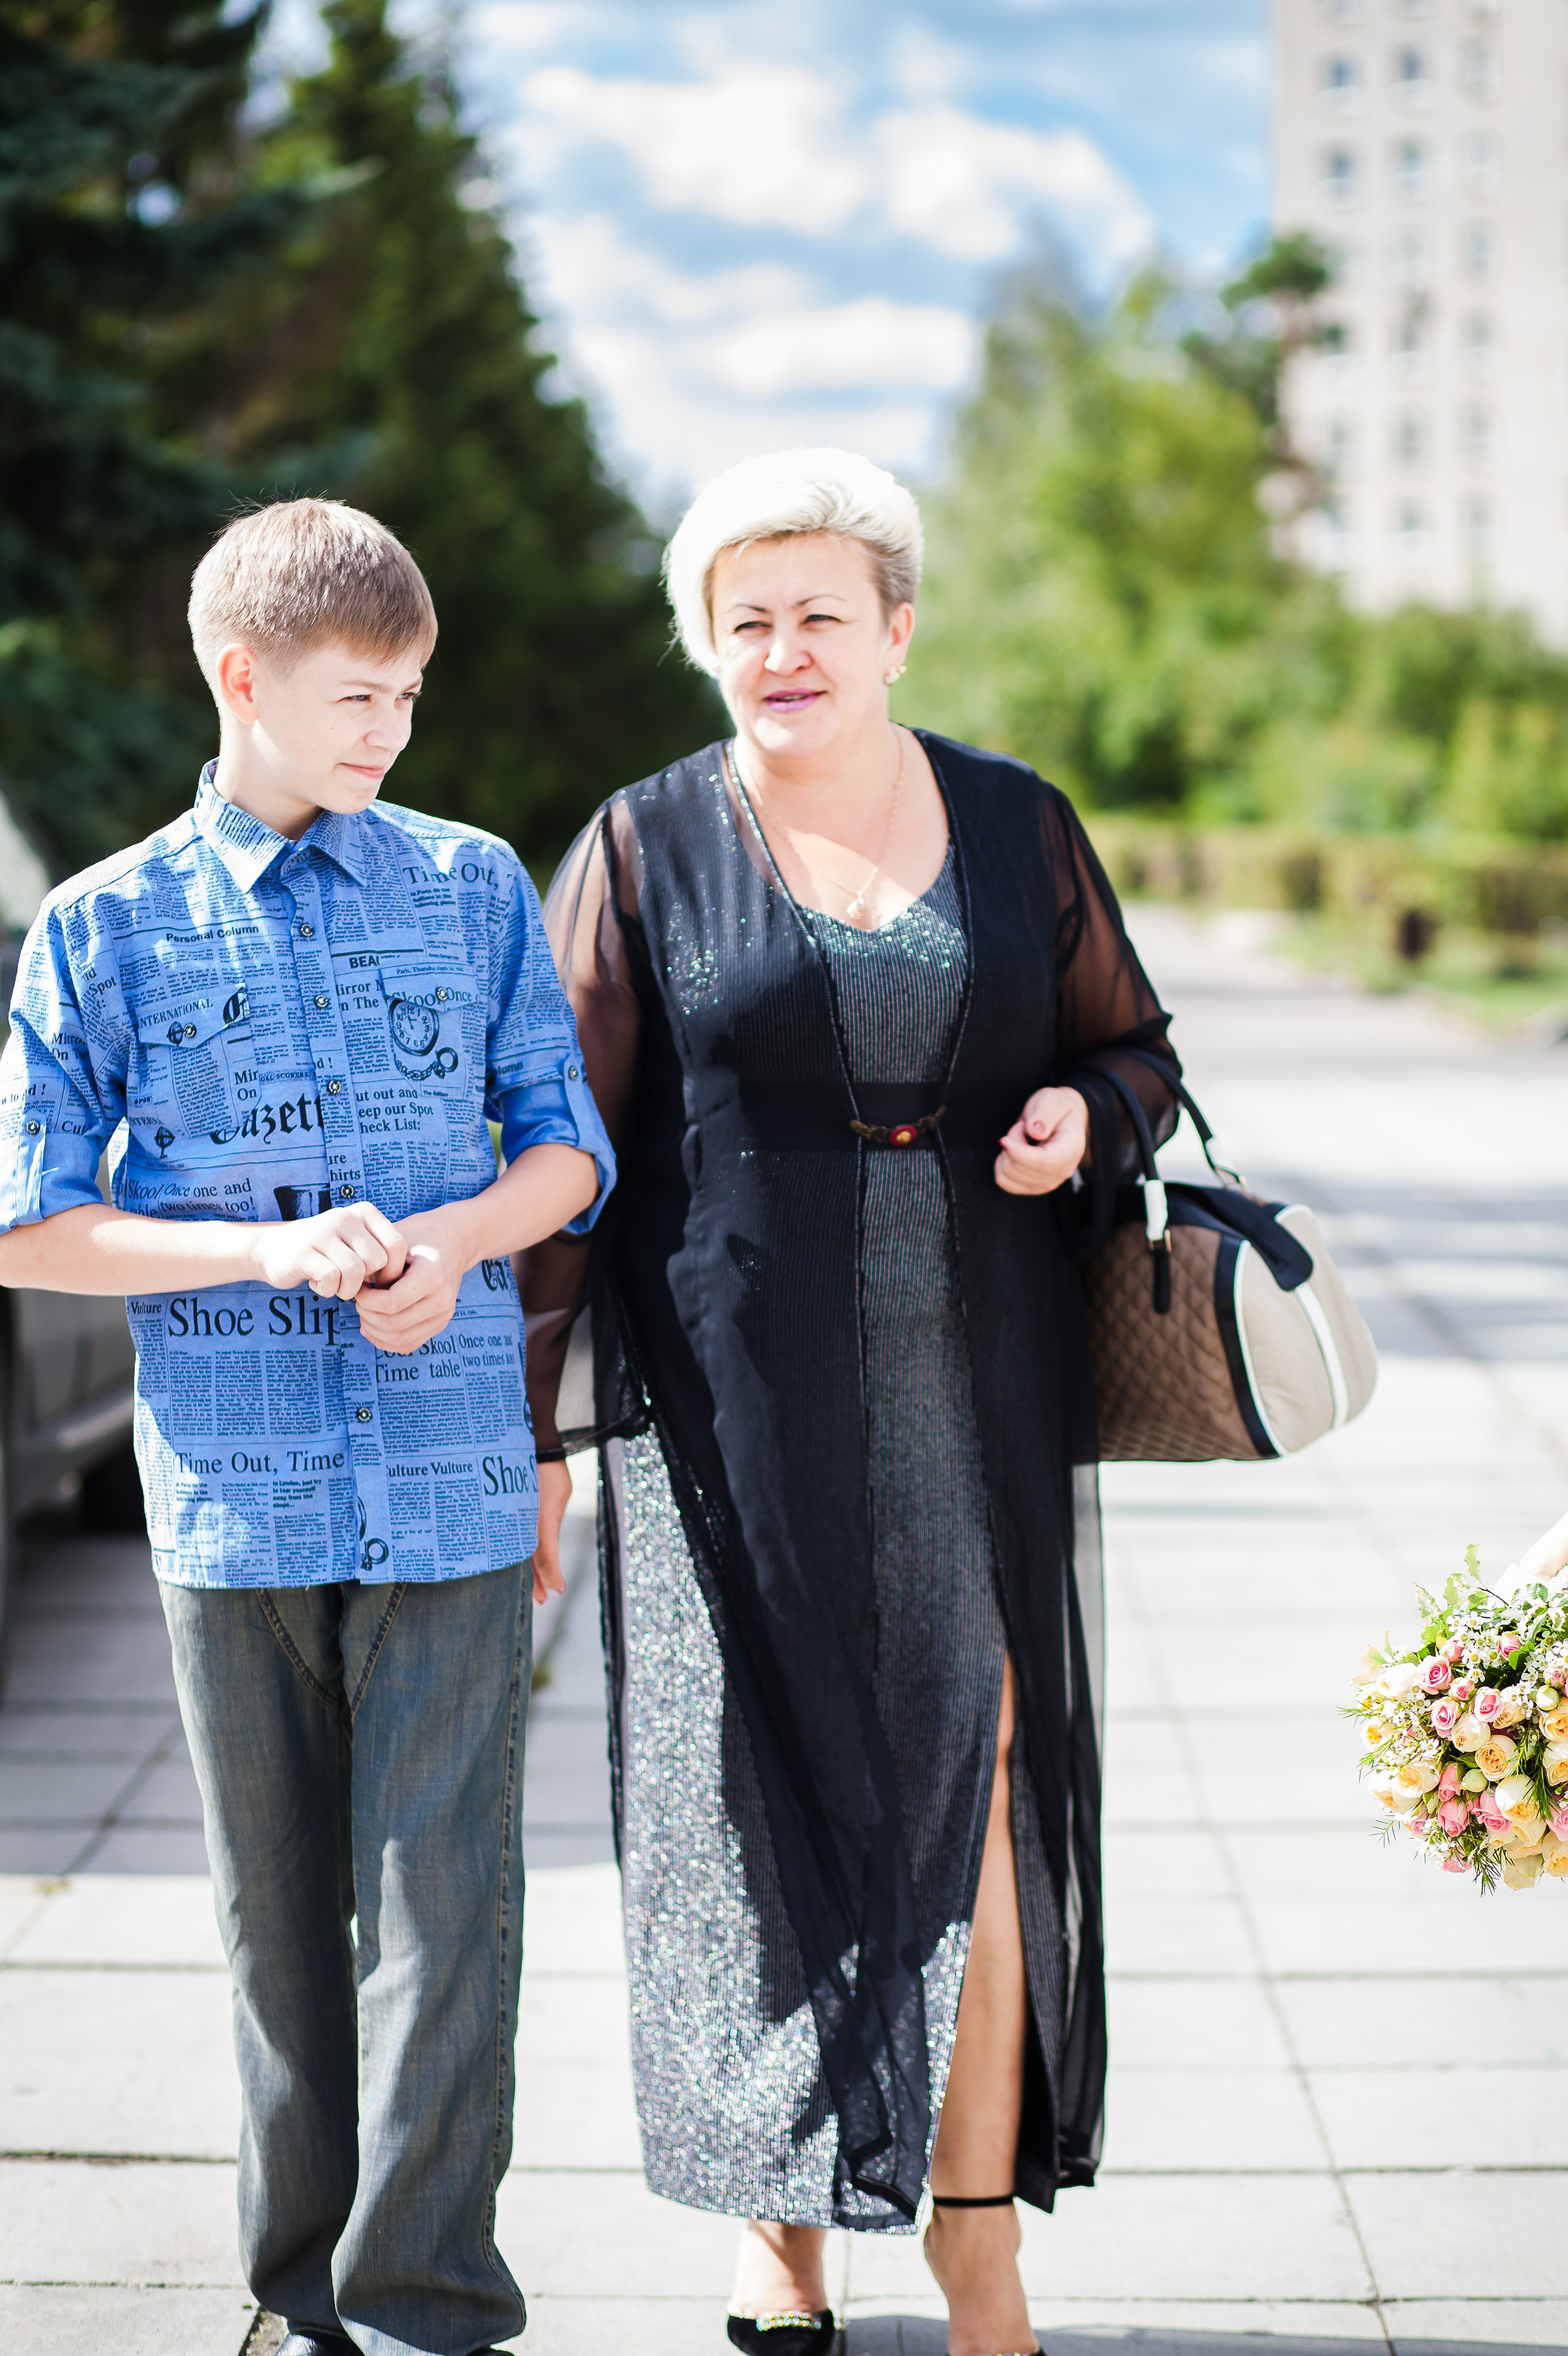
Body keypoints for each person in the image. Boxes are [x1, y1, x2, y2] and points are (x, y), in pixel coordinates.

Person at [520, 448, 1180, 2356]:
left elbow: (1134, 1041)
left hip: (972, 1368)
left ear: (898, 624)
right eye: (747, 621)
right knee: (754, 1807)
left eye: (822, 611)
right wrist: (538, 1432)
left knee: (973, 1799)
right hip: (725, 1395)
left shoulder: (1014, 821)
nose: (786, 647)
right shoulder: (645, 844)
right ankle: (782, 2233)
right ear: (706, 647)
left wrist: (1087, 1114)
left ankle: (979, 2242)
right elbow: (565, 1153)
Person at [0, 499, 614, 2356]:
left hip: (448, 1482)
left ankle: (426, 2308)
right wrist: (265, 1255)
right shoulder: (101, 926)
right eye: (359, 697)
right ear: (238, 676)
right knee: (279, 1939)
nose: (389, 736)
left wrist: (450, 1240)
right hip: (233, 1504)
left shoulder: (474, 883)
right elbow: (31, 1227)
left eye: (412, 699)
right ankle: (300, 2296)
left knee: (448, 1930)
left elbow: (567, 1154)